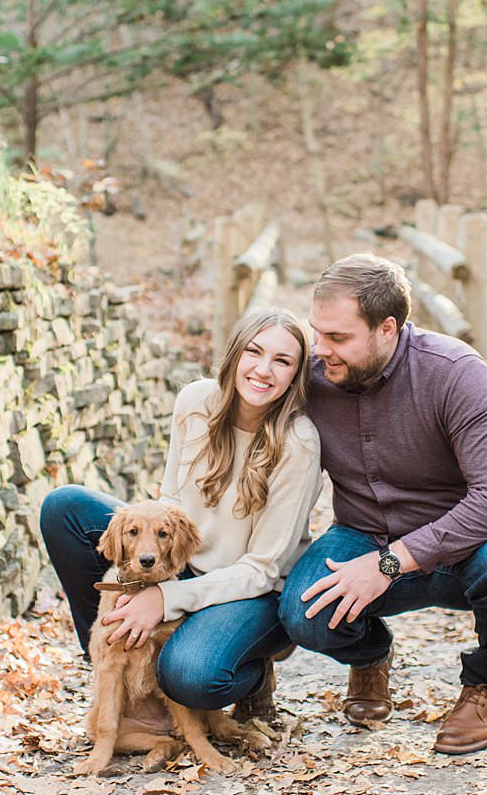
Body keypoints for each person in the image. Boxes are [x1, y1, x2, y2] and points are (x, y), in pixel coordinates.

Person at [278, 253, 487, 755]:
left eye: (338, 338)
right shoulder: (315, 373)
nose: (321, 350)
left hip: (464, 547)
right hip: (361, 531)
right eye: (317, 333)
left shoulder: (455, 372)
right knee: (303, 613)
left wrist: (388, 564)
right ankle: (371, 654)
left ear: (388, 328)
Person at [40, 307, 322, 717]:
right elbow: (170, 498)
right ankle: (112, 659)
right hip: (182, 562)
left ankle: (254, 677)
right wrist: (150, 573)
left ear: (296, 375)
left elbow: (261, 569)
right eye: (254, 352)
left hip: (250, 591)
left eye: (282, 361)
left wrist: (166, 598)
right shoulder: (195, 401)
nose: (263, 370)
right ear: (234, 354)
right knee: (65, 509)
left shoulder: (299, 442)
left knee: (190, 675)